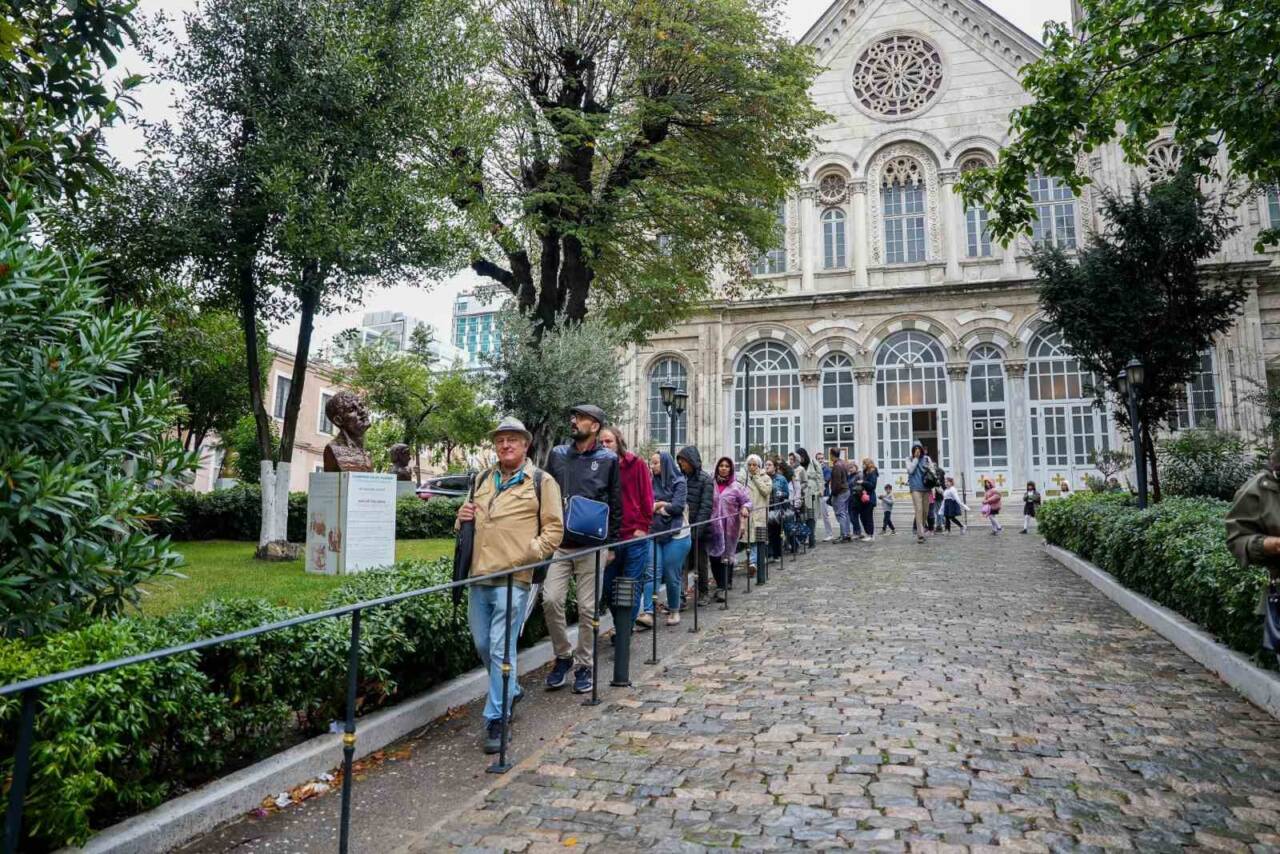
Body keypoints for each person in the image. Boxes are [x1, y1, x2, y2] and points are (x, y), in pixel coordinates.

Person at [456, 417, 564, 754]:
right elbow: (465, 522)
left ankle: (496, 718)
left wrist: (530, 554)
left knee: (502, 648)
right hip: (480, 574)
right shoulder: (483, 479)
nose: (505, 445)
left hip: (514, 578)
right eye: (500, 440)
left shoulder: (541, 481)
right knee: (483, 644)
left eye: (512, 440)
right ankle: (510, 687)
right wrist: (460, 518)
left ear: (525, 445)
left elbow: (554, 528)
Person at [543, 405, 622, 696]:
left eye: (580, 418)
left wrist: (611, 544)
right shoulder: (557, 454)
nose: (573, 421)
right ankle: (563, 656)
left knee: (588, 609)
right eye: (573, 417)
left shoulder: (608, 460)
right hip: (560, 546)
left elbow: (616, 503)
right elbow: (545, 495)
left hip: (593, 547)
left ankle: (584, 664)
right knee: (551, 600)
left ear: (596, 425)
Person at [592, 428, 654, 635]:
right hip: (610, 537)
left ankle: (623, 633)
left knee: (630, 586)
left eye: (608, 441)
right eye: (601, 442)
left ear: (618, 441)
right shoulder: (599, 467)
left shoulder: (636, 464)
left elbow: (647, 497)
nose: (604, 445)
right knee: (608, 588)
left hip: (634, 536)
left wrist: (643, 527)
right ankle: (623, 626)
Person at [643, 450, 689, 627]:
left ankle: (674, 610)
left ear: (665, 464)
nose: (652, 466)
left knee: (671, 574)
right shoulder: (650, 482)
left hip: (677, 534)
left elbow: (677, 507)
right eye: (651, 463)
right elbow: (646, 505)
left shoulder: (679, 482)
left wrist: (660, 505)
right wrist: (662, 506)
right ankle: (648, 612)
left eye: (656, 463)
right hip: (654, 532)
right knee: (652, 571)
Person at [707, 457, 752, 602]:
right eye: (721, 466)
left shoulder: (736, 487)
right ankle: (722, 583)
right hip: (713, 527)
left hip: (730, 527)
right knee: (714, 556)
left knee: (726, 556)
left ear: (731, 469)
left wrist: (745, 508)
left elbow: (747, 501)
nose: (724, 468)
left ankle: (723, 587)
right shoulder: (710, 484)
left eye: (727, 466)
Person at [677, 446, 714, 606]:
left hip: (699, 528)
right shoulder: (681, 478)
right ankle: (680, 596)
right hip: (682, 527)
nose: (681, 464)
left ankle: (704, 592)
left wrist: (697, 530)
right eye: (679, 461)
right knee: (681, 564)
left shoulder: (705, 480)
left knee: (700, 563)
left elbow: (706, 507)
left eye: (683, 461)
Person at [745, 454, 773, 571]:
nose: (752, 467)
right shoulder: (744, 477)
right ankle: (752, 562)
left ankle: (753, 563)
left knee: (756, 539)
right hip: (747, 512)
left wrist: (756, 478)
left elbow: (766, 491)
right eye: (750, 465)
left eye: (754, 465)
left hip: (759, 511)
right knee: (749, 539)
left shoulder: (765, 477)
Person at [906, 442, 933, 544]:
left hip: (926, 488)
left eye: (919, 448)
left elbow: (932, 471)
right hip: (915, 488)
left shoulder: (926, 458)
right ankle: (920, 535)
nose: (917, 450)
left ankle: (922, 529)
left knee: (925, 511)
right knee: (919, 510)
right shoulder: (909, 459)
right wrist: (916, 459)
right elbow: (910, 470)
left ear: (921, 449)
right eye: (915, 449)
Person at [800, 448, 828, 545]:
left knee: (812, 514)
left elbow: (820, 477)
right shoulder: (798, 466)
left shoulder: (813, 463)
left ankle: (811, 535)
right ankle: (805, 535)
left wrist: (821, 489)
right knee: (804, 515)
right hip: (802, 493)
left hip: (813, 493)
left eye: (801, 457)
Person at [764, 458, 789, 559]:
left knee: (776, 532)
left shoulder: (781, 479)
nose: (767, 467)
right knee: (767, 532)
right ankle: (768, 553)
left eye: (769, 465)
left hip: (777, 508)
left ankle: (776, 554)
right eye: (766, 465)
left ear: (775, 467)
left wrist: (781, 493)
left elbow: (787, 494)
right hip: (765, 508)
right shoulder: (762, 478)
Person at [829, 449, 852, 542]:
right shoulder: (843, 463)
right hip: (845, 490)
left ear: (832, 455)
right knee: (845, 513)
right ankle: (847, 533)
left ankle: (844, 535)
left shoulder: (837, 466)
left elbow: (837, 482)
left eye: (830, 454)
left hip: (840, 492)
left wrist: (833, 494)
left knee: (841, 513)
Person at [857, 457, 879, 542]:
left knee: (868, 517)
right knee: (863, 516)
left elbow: (872, 486)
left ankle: (870, 534)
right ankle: (868, 533)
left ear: (868, 464)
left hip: (869, 499)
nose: (862, 465)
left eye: (864, 464)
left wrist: (863, 482)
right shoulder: (866, 472)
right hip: (864, 498)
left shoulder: (872, 473)